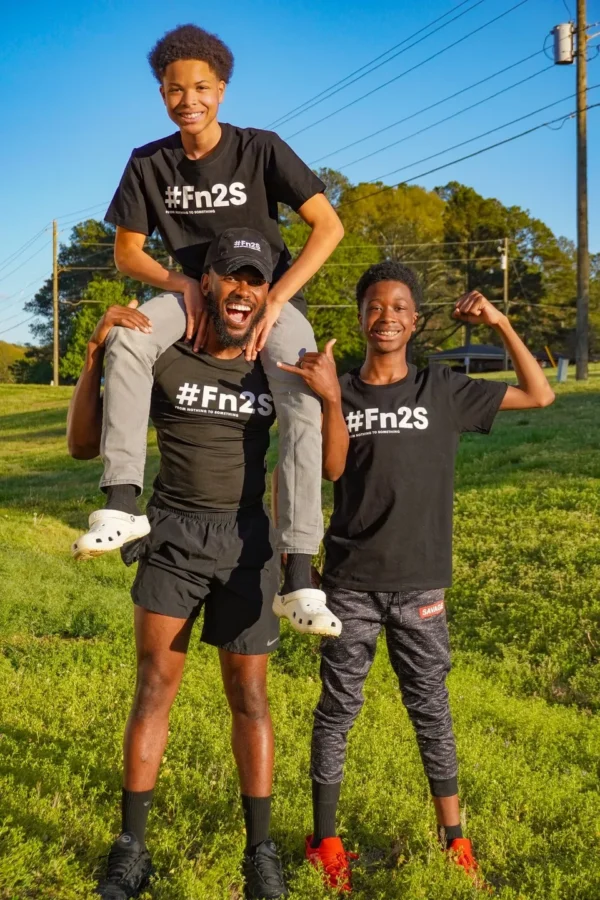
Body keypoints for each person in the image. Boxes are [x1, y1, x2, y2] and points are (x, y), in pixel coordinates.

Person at [68, 232, 344, 899]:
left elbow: (326, 463)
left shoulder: (270, 366)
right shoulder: (168, 352)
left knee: (249, 698)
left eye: (256, 280)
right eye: (232, 278)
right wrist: (94, 358)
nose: (244, 290)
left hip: (247, 546)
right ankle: (131, 850)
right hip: (172, 536)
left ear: (265, 292)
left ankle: (261, 854)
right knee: (153, 689)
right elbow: (82, 443)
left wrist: (332, 397)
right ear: (209, 283)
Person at [280, 261, 555, 892]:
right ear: (359, 316)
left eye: (400, 307)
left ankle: (454, 840)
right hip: (348, 582)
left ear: (415, 319)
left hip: (421, 584)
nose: (387, 317)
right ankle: (325, 840)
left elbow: (540, 395)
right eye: (376, 306)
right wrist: (327, 397)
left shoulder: (443, 388)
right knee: (337, 710)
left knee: (431, 709)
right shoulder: (342, 388)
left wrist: (501, 321)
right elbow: (329, 471)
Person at [72, 23, 344, 636]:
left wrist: (278, 297)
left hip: (261, 291)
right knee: (128, 338)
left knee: (302, 392)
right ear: (161, 94)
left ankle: (300, 571)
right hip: (190, 294)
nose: (187, 98)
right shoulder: (149, 162)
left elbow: (329, 227)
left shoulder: (261, 147)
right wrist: (181, 284)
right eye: (174, 89)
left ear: (221, 89)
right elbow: (128, 254)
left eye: (201, 86)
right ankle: (120, 504)